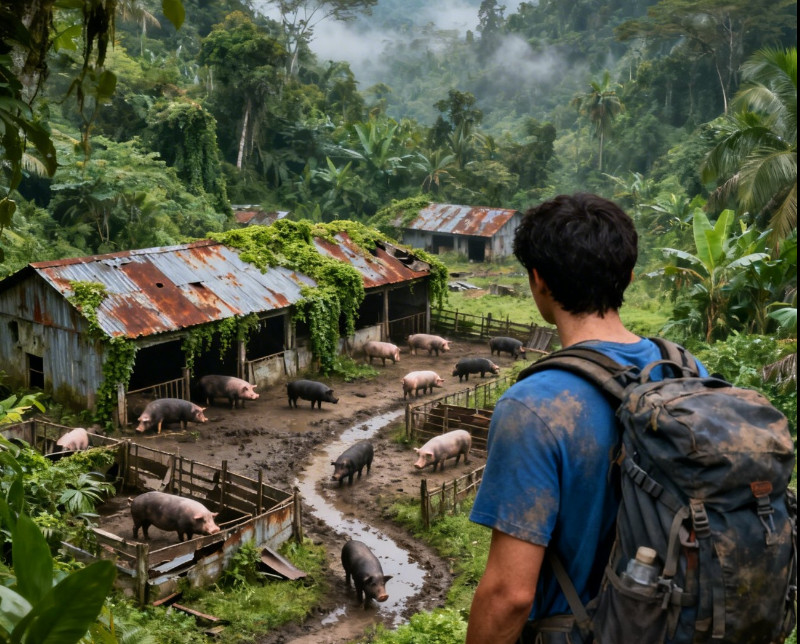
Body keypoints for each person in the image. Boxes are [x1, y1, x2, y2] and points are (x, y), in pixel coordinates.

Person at [465, 193, 705, 644]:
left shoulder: (532, 406)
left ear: (538, 281)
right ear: (629, 277)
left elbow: (510, 595)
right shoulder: (687, 370)